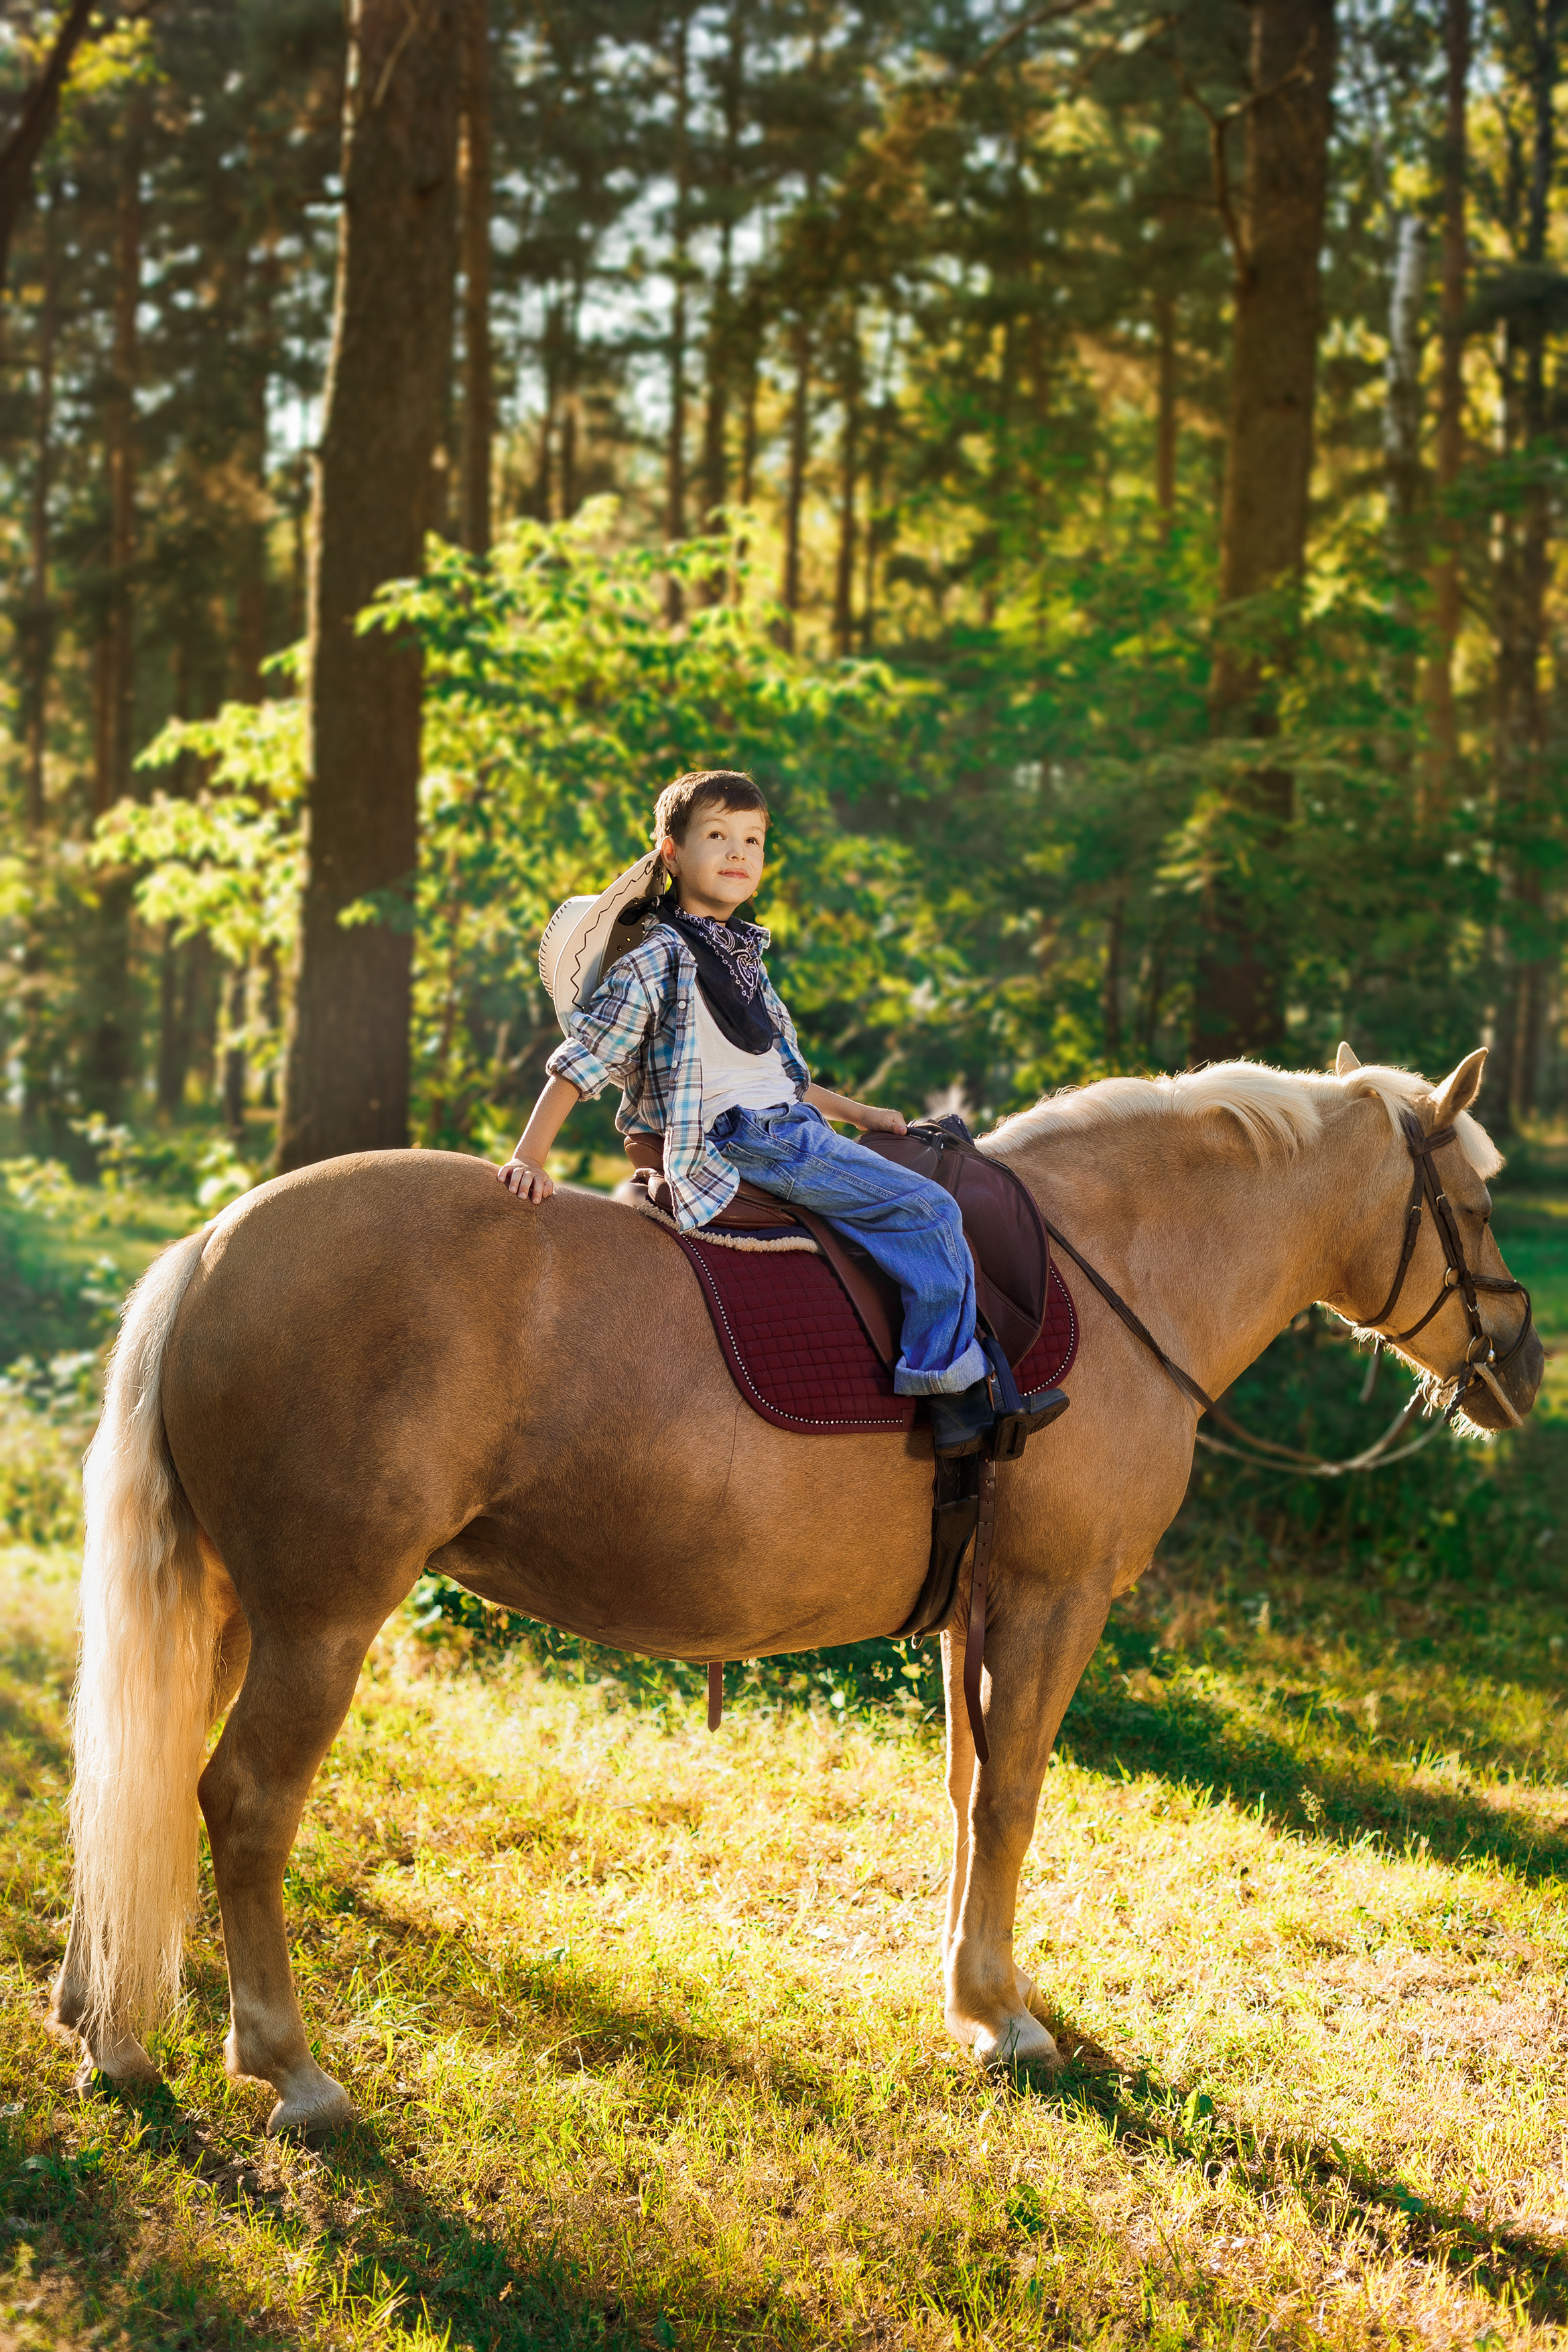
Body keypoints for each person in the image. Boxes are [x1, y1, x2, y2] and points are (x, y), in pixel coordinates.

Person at [499, 767, 1020, 1454]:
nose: (738, 852)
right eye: (716, 835)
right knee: (928, 1211)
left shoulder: (741, 955)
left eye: (752, 839)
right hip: (748, 1139)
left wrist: (860, 1114)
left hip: (783, 1120)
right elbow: (583, 1059)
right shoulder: (657, 958)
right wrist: (529, 1157)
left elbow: (779, 1073)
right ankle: (947, 1390)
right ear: (670, 852)